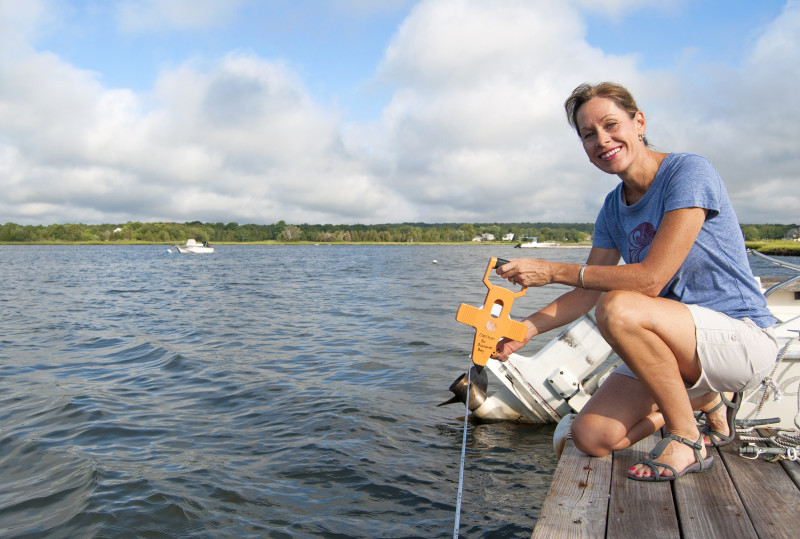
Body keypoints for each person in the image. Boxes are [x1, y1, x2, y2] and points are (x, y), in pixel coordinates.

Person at [491, 82, 778, 481]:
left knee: (618, 306)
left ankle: (686, 438)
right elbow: (585, 291)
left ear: (638, 122)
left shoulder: (688, 172)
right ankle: (705, 402)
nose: (602, 140)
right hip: (677, 347)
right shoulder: (612, 208)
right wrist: (525, 329)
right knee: (591, 436)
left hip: (740, 338)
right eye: (588, 135)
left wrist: (553, 269)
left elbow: (650, 278)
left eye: (611, 125)